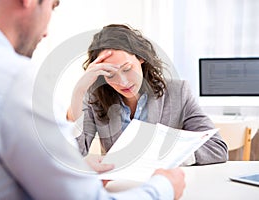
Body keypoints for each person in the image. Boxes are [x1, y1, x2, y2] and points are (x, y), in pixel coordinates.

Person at [0, 0, 186, 199]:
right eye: (52, 6)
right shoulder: (13, 81)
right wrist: (164, 187)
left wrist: (68, 169)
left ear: (141, 60)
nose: (46, 32)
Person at [67, 24, 228, 165]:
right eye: (110, 75)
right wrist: (79, 92)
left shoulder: (178, 92)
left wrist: (168, 157)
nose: (123, 82)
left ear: (141, 58)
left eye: (127, 69)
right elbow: (71, 153)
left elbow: (217, 148)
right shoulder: (94, 98)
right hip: (119, 189)